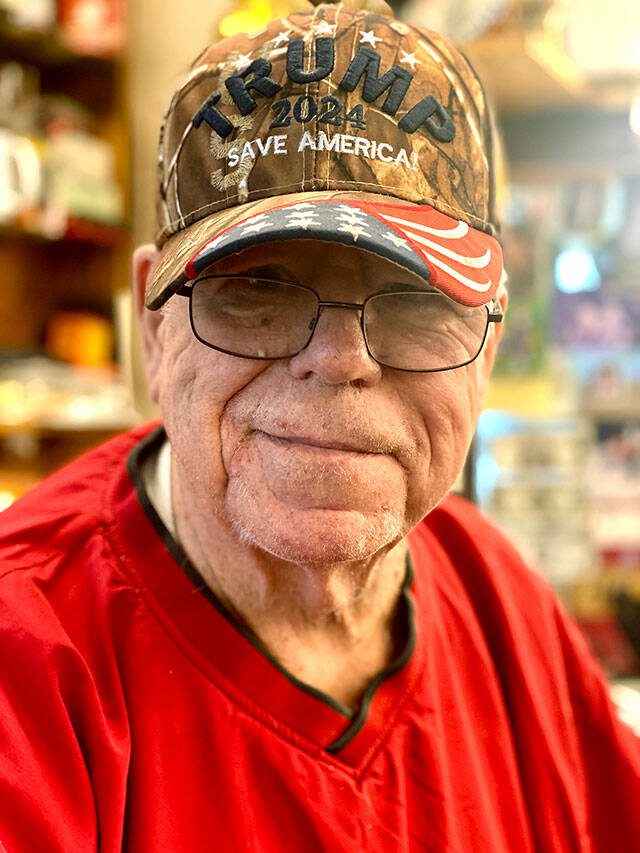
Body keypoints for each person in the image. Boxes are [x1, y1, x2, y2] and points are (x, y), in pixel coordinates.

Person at [1, 1, 639, 850]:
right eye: (257, 286)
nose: (340, 359)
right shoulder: (28, 662)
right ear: (153, 328)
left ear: (487, 345)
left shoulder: (500, 599)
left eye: (416, 299)